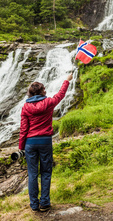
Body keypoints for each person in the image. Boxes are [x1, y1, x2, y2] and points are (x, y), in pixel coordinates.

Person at [18, 73, 73, 212]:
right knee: (46, 172)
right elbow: (60, 95)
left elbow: (23, 129)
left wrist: (21, 147)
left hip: (30, 143)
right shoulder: (48, 102)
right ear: (42, 91)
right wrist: (67, 80)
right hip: (45, 141)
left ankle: (34, 205)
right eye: (44, 90)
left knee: (32, 174)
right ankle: (44, 203)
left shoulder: (25, 107)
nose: (46, 91)